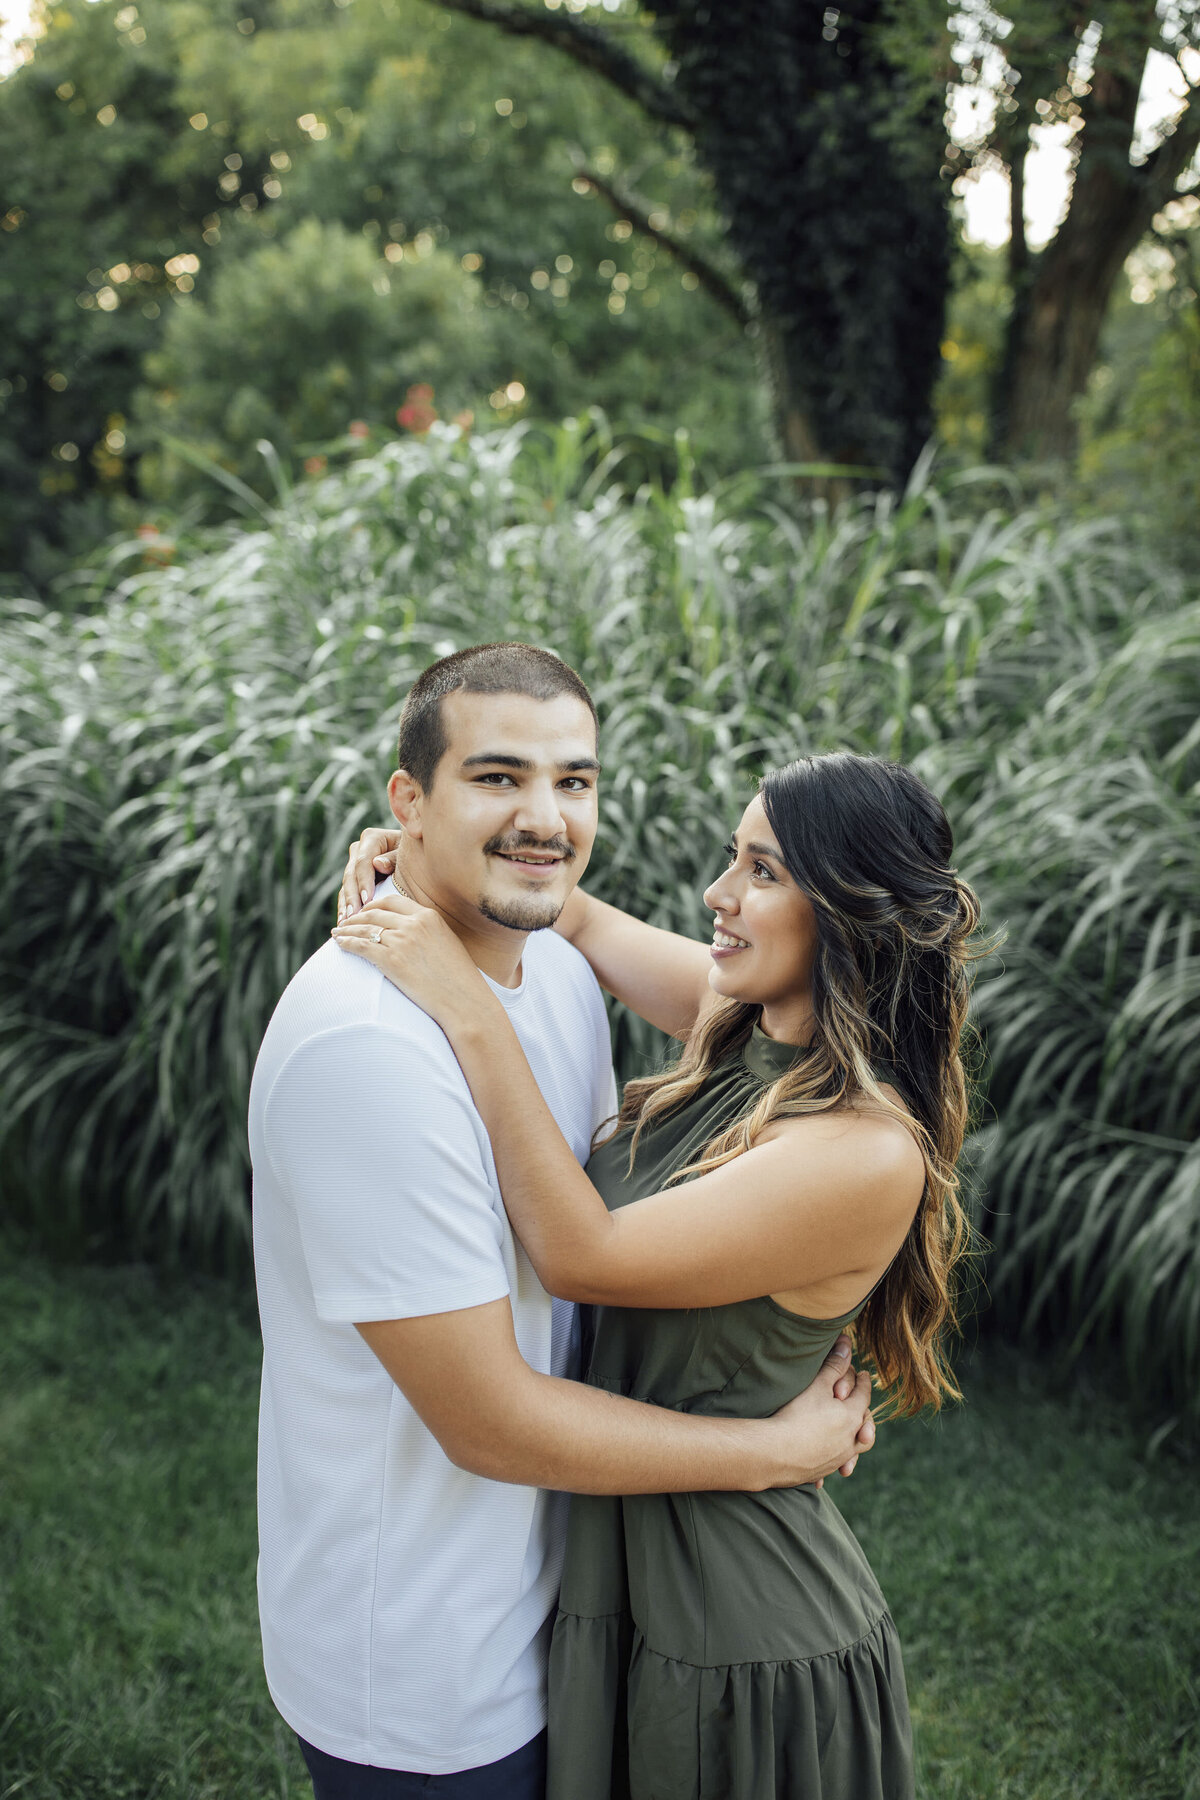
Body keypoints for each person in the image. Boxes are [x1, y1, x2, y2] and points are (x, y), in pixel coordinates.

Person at [250, 642, 875, 1800]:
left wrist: (522, 882)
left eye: (573, 783)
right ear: (408, 803)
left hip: (569, 1601)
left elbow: (780, 1037)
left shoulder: (559, 977)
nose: (544, 815)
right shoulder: (367, 1049)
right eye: (496, 779)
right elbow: (486, 1423)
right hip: (429, 1662)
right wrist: (772, 1453)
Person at [335, 746, 980, 1800]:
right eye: (735, 857)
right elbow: (573, 918)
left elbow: (579, 1253)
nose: (720, 897)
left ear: (851, 913)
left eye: (763, 873)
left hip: (736, 1633)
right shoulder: (747, 1033)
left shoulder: (863, 1151)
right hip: (633, 1584)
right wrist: (426, 861)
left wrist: (466, 1008)